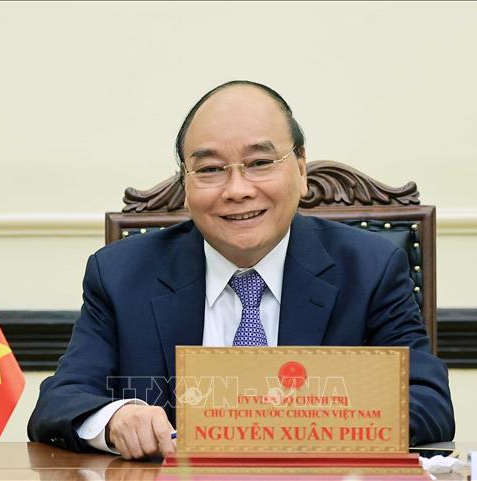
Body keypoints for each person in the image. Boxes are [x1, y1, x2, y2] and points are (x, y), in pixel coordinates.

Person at [28, 80, 455, 459]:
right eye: (211, 170)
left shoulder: (370, 268)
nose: (237, 190)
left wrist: (288, 426)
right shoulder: (121, 274)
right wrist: (116, 418)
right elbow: (60, 401)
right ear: (185, 183)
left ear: (301, 168)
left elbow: (428, 403)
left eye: (260, 163)